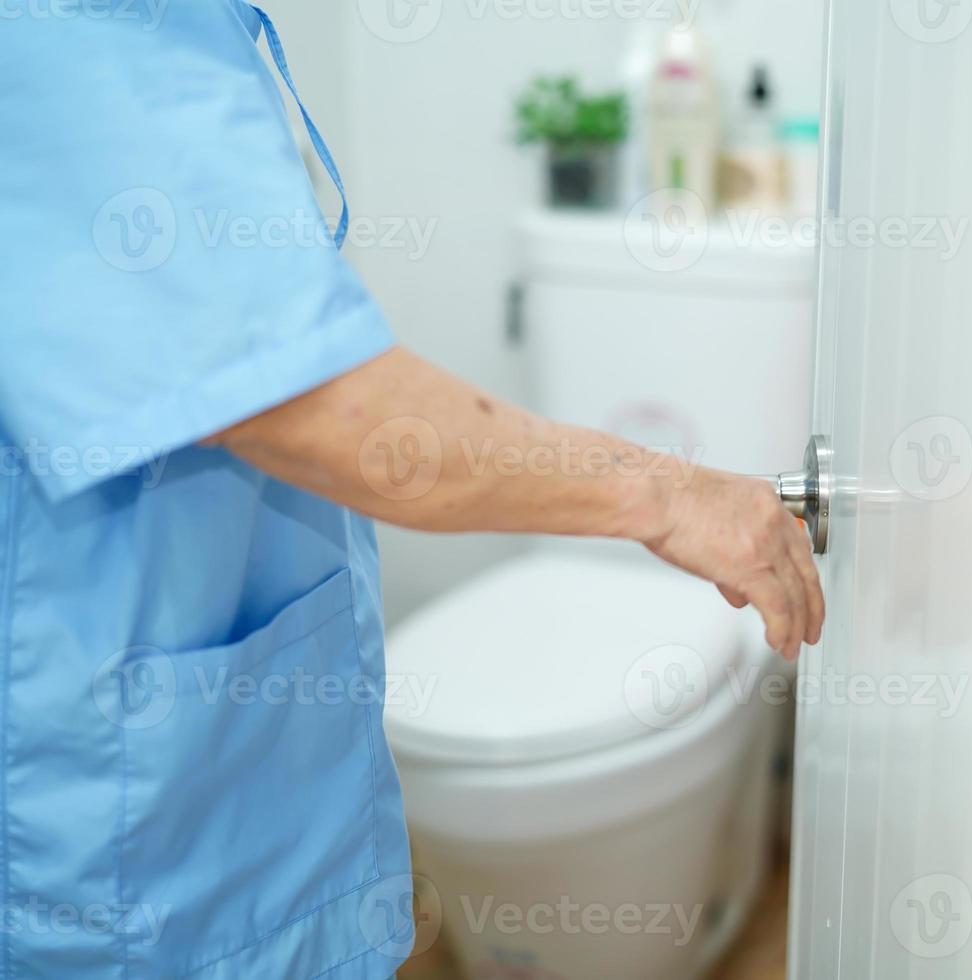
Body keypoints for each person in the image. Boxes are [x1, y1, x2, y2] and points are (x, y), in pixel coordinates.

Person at [0, 4, 822, 977]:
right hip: (123, 801)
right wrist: (675, 495)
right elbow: (318, 405)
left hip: (205, 734)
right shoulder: (79, 25)